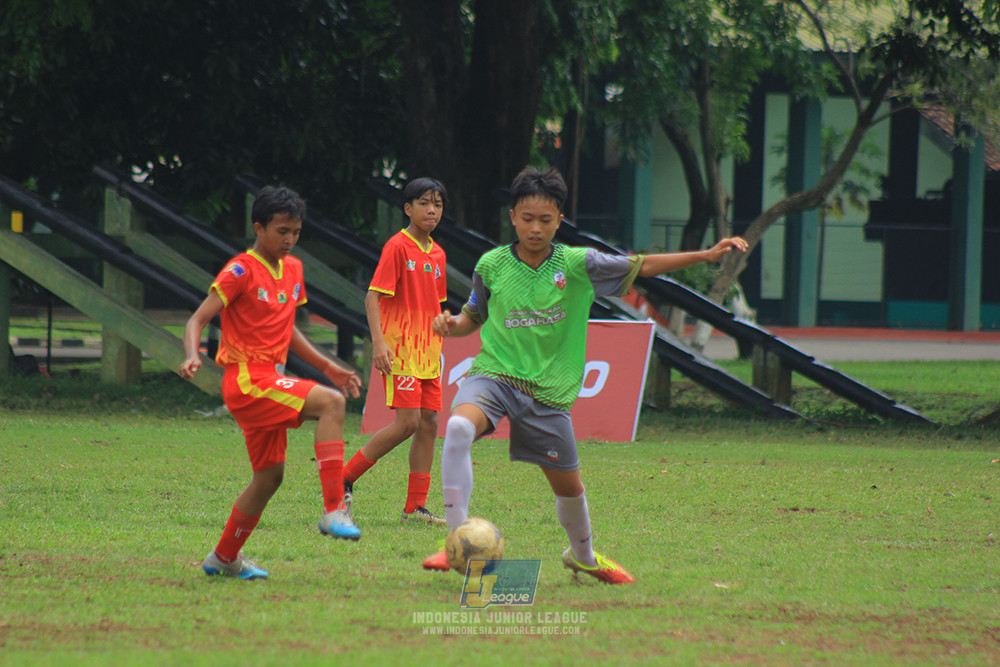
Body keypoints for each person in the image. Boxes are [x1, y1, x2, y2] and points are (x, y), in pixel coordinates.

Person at [422, 166, 748, 584]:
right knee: (458, 429)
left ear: (559, 220)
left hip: (549, 396)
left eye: (545, 220)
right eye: (526, 218)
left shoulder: (579, 263)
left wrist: (704, 256)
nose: (535, 228)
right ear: (512, 217)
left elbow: (641, 266)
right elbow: (473, 317)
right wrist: (453, 327)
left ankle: (584, 556)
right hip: (494, 377)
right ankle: (455, 543)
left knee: (570, 489)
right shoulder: (491, 265)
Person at [179, 185, 364, 580]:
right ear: (258, 227)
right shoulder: (239, 271)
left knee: (269, 477)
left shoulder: (293, 268)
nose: (289, 240)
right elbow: (197, 319)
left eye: (295, 232)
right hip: (247, 379)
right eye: (282, 231)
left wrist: (328, 366)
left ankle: (223, 557)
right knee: (332, 404)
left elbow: (289, 330)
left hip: (269, 378)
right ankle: (334, 509)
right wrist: (193, 354)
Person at [344, 177, 449, 526]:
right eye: (424, 203)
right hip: (401, 350)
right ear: (408, 208)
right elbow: (373, 296)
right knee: (407, 423)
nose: (431, 209)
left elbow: (435, 304)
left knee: (429, 424)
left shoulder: (438, 254)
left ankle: (415, 509)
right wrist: (379, 343)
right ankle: (342, 479)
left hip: (429, 353)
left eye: (437, 204)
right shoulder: (397, 247)